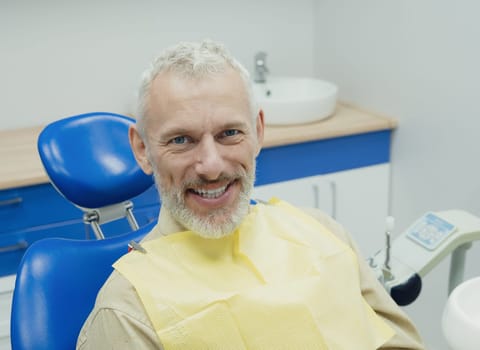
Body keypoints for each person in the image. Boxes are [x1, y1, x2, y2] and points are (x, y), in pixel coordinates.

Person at [77, 40, 425, 349]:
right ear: (142, 149)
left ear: (258, 131)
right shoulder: (128, 311)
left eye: (230, 133)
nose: (211, 167)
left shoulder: (322, 233)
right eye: (181, 140)